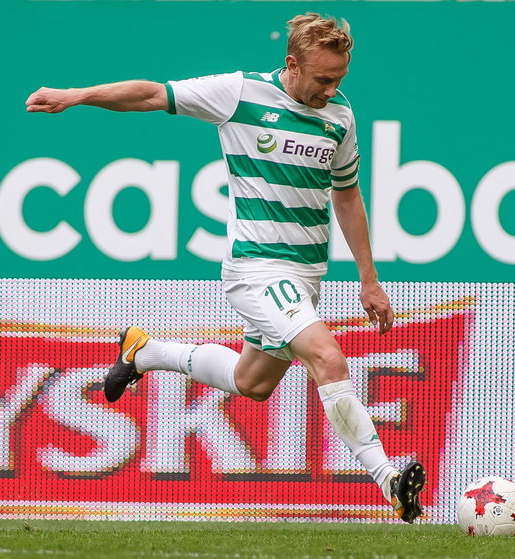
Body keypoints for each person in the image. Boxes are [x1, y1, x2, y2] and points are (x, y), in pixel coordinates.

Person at [26, 13, 426, 523]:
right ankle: (388, 479)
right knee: (328, 358)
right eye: (323, 78)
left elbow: (347, 196)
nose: (332, 88)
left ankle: (145, 351)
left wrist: (369, 279)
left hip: (305, 277)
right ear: (292, 64)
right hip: (257, 270)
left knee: (252, 383)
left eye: (340, 79)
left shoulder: (340, 118)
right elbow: (152, 93)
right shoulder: (239, 94)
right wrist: (77, 94)